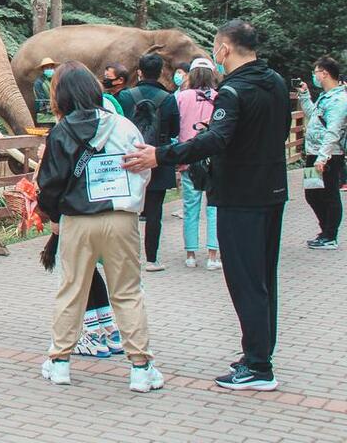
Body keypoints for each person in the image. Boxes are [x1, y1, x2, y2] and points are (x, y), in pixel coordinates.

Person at [125, 19, 290, 391]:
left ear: (225, 49)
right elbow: (277, 132)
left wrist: (162, 155)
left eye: (215, 47)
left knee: (245, 280)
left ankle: (260, 368)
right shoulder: (276, 83)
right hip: (273, 191)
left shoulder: (232, 92)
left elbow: (216, 139)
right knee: (264, 277)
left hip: (239, 196)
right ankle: (258, 352)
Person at [36, 62, 162, 392]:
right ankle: (140, 368)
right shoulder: (124, 126)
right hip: (121, 219)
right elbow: (143, 171)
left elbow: (48, 184)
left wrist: (52, 216)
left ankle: (60, 362)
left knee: (71, 290)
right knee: (128, 292)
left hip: (77, 221)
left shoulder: (61, 132)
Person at [121, 53, 179, 271]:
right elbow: (175, 130)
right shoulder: (169, 98)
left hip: (130, 157)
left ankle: (128, 257)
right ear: (161, 72)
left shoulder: (126, 96)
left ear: (139, 72)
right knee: (155, 212)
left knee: (128, 210)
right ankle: (152, 260)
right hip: (158, 157)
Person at [175, 58, 221, 269]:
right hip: (214, 158)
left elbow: (176, 126)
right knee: (213, 207)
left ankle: (191, 254)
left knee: (190, 207)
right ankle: (213, 255)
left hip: (188, 157)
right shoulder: (219, 97)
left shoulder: (181, 97)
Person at [297, 55, 346, 250]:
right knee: (312, 194)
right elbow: (314, 117)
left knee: (329, 194)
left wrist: (323, 156)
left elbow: (334, 129)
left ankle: (330, 235)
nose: (314, 76)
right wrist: (304, 96)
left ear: (325, 73)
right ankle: (325, 231)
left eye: (316, 72)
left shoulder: (339, 99)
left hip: (329, 156)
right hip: (313, 153)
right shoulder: (326, 97)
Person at [33, 57, 58, 126]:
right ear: (43, 69)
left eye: (51, 67)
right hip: (45, 118)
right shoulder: (38, 83)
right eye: (47, 68)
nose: (49, 69)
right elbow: (42, 101)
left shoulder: (57, 80)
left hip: (58, 117)